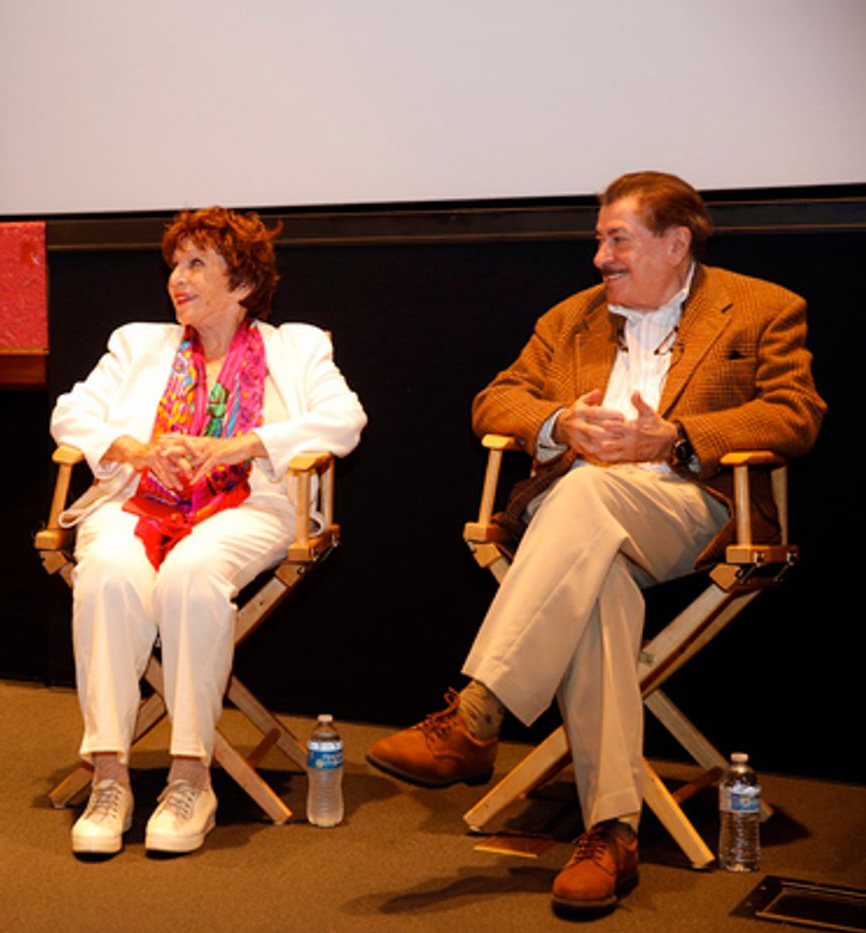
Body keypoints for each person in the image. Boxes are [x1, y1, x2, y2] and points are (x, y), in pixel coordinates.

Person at [367, 171, 825, 914]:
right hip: (579, 525)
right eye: (599, 240)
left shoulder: (763, 308)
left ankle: (478, 713)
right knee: (598, 573)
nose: (600, 258)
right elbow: (497, 398)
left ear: (675, 243)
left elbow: (795, 414)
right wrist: (558, 425)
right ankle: (611, 832)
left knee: (584, 494)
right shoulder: (572, 318)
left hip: (694, 506)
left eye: (618, 239)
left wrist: (678, 437)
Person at [52, 207, 366, 856]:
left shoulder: (296, 346)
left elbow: (344, 420)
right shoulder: (138, 343)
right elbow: (72, 413)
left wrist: (240, 446)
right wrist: (137, 450)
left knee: (193, 576)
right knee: (106, 573)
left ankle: (191, 778)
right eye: (175, 263)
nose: (178, 277)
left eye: (197, 263)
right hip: (142, 497)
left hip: (250, 503)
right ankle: (109, 777)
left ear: (243, 283)